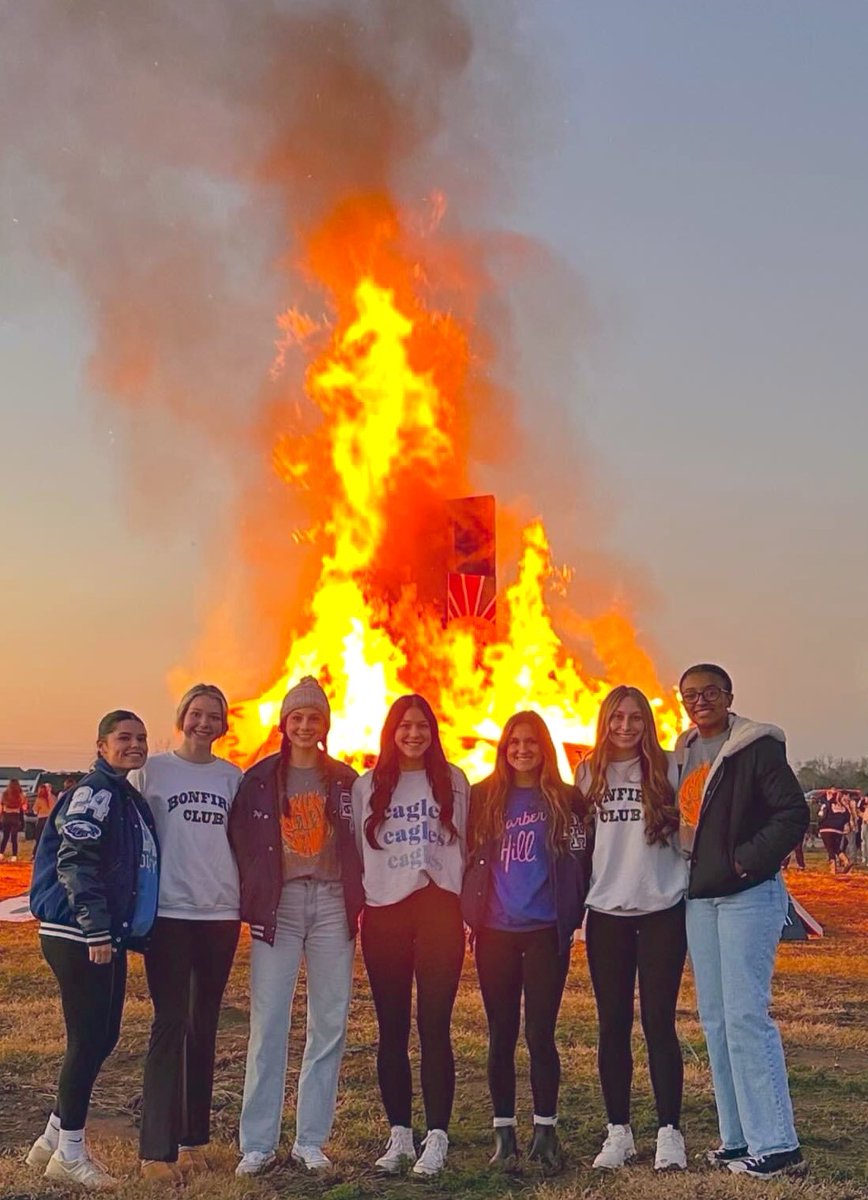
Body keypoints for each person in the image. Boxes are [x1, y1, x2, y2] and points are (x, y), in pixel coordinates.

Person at [676, 664, 808, 1180]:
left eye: (710, 692)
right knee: (715, 1020)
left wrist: (743, 860)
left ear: (729, 695)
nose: (700, 700)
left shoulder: (756, 747)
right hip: (700, 898)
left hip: (746, 895)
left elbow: (793, 814)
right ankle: (737, 1138)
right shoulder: (684, 751)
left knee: (747, 1017)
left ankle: (777, 1143)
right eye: (690, 694)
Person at [229, 676, 362, 1177]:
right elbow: (240, 841)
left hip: (331, 902)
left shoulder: (346, 780)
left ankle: (310, 1139)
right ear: (285, 724)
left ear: (325, 726)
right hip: (279, 906)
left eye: (314, 718)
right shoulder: (260, 779)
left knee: (329, 1022)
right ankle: (258, 1143)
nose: (306, 726)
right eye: (297, 717)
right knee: (269, 1023)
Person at [27, 711, 158, 1191]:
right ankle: (71, 1153)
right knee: (86, 1041)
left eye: (141, 738)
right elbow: (76, 861)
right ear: (101, 745)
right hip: (79, 934)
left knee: (104, 1037)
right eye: (124, 737)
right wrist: (97, 929)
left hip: (106, 934)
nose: (135, 744)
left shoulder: (125, 796)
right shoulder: (94, 793)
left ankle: (52, 1136)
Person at [462, 711, 590, 1172]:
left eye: (530, 742)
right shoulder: (482, 798)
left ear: (543, 748)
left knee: (540, 1034)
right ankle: (503, 1135)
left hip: (544, 933)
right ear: (503, 747)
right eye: (514, 742)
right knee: (501, 1035)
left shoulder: (566, 799)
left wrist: (575, 913)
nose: (522, 749)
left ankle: (545, 1132)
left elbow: (581, 858)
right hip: (495, 933)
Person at [128, 684, 242, 1182]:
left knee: (204, 1025)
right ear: (182, 717)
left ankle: (194, 1138)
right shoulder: (153, 770)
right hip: (170, 912)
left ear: (223, 723)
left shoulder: (232, 777)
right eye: (195, 713)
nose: (203, 722)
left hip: (220, 912)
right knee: (169, 1022)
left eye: (212, 716)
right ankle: (156, 1149)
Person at [352, 694, 469, 1177]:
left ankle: (437, 1135)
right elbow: (358, 852)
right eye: (404, 726)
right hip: (384, 913)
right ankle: (400, 1132)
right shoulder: (368, 786)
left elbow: (470, 841)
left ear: (433, 731)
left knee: (435, 1025)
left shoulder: (455, 781)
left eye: (422, 726)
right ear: (391, 732)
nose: (414, 734)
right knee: (392, 1028)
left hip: (439, 909)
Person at [577, 686, 689, 1172]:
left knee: (659, 1022)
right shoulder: (586, 772)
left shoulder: (668, 767)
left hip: (662, 909)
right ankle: (618, 1131)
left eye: (635, 718)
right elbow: (581, 844)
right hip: (607, 915)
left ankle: (670, 1132)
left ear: (647, 722)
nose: (625, 726)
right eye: (617, 717)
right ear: (604, 721)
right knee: (613, 1025)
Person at [817, 790, 852, 875]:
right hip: (838, 830)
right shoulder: (844, 808)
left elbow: (822, 814)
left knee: (830, 849)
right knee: (836, 848)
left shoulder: (828, 804)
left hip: (826, 829)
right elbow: (847, 817)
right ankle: (846, 861)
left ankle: (833, 869)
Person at [1, 777, 26, 860]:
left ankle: (1, 853)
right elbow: (24, 806)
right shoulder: (20, 794)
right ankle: (14, 856)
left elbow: (1, 805)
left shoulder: (5, 793)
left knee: (5, 836)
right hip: (15, 816)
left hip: (6, 816)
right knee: (14, 837)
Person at [33, 783, 56, 850]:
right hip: (50, 820)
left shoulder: (39, 799)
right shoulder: (54, 798)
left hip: (41, 820)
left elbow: (35, 811)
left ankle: (35, 853)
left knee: (39, 838)